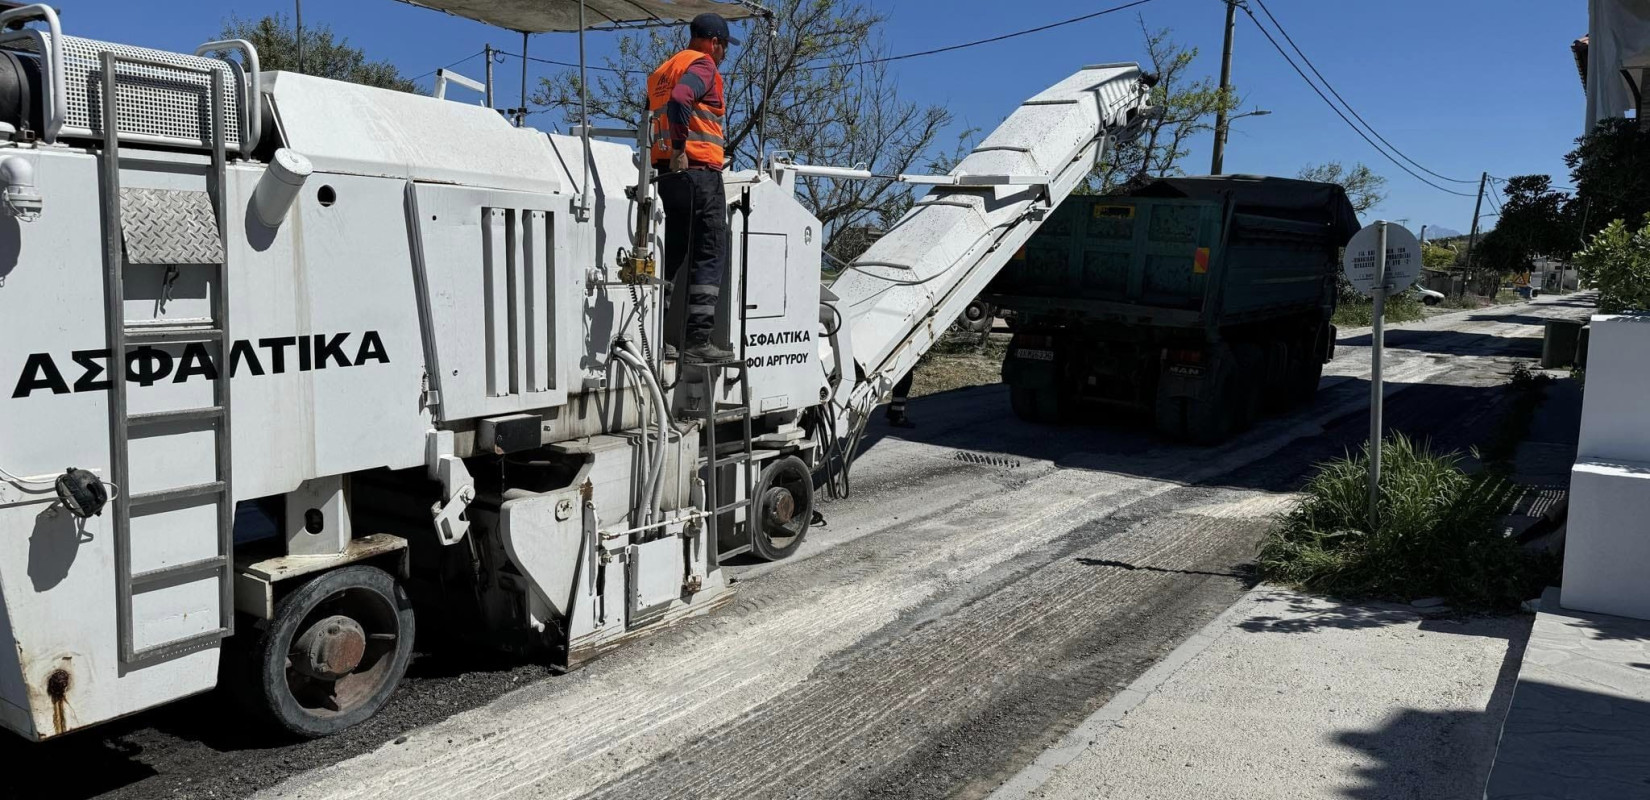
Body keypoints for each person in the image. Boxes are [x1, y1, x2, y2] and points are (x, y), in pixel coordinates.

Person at [648, 13, 738, 363]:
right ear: (714, 42)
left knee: (672, 253)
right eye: (724, 47)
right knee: (710, 248)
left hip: (667, 176)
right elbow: (683, 98)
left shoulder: (661, 72)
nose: (724, 54)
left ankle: (656, 337)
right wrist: (681, 148)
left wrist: (669, 155)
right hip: (697, 172)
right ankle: (698, 341)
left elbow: (655, 116)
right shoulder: (703, 67)